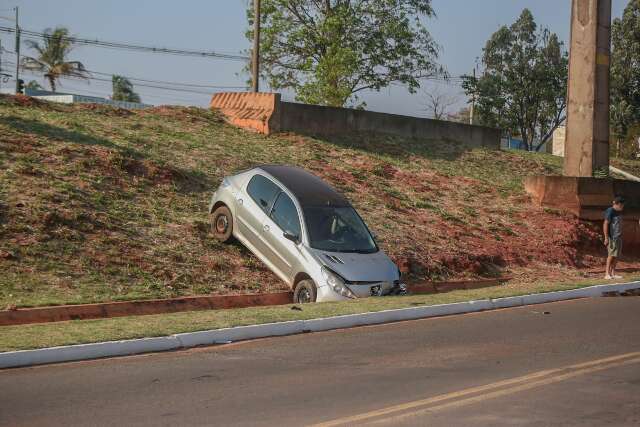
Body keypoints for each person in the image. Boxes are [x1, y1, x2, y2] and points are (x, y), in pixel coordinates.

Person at [603, 196, 625, 280]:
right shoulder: (610, 211)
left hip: (618, 237)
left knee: (617, 256)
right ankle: (607, 274)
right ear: (618, 204)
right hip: (612, 238)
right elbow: (605, 224)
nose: (623, 207)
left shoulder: (618, 212)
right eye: (622, 205)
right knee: (611, 255)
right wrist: (606, 237)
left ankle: (613, 273)